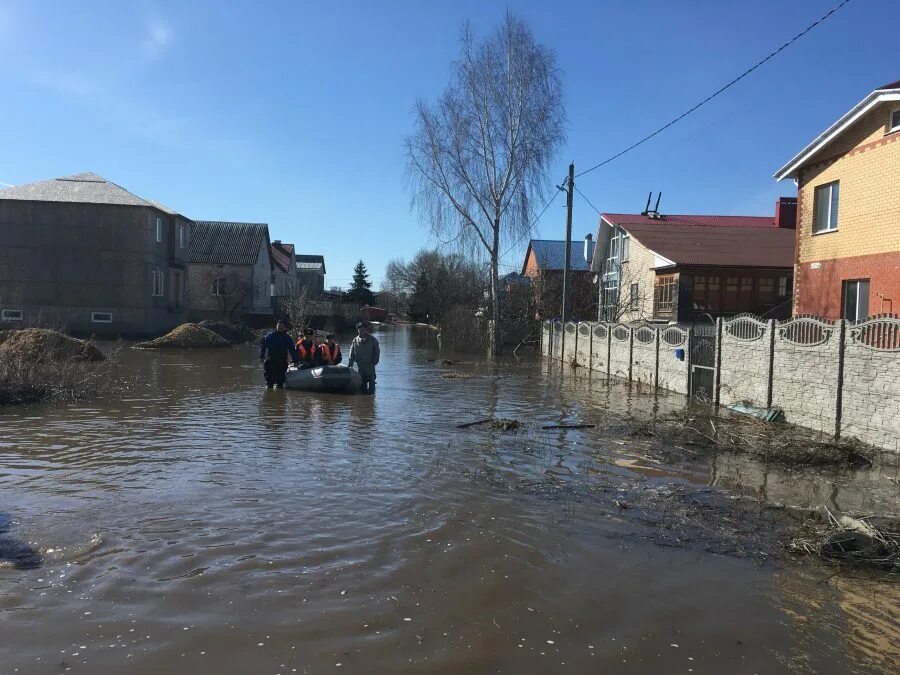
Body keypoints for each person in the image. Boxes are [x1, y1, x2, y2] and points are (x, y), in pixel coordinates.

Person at [259, 319, 300, 389]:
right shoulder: (270, 336)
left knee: (280, 383)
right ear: (276, 327)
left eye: (282, 326)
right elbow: (263, 346)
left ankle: (280, 396)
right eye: (279, 326)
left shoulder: (287, 338)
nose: (280, 327)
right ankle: (269, 397)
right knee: (269, 383)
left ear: (284, 327)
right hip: (271, 361)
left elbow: (292, 350)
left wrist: (295, 361)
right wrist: (262, 356)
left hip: (282, 362)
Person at [348, 321, 380, 394]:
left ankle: (371, 402)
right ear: (357, 330)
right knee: (362, 385)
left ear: (366, 329)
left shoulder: (373, 340)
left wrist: (374, 362)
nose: (361, 331)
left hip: (370, 365)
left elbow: (377, 352)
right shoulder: (355, 340)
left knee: (372, 385)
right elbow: (351, 353)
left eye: (363, 329)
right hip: (359, 366)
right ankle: (363, 402)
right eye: (359, 330)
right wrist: (350, 364)